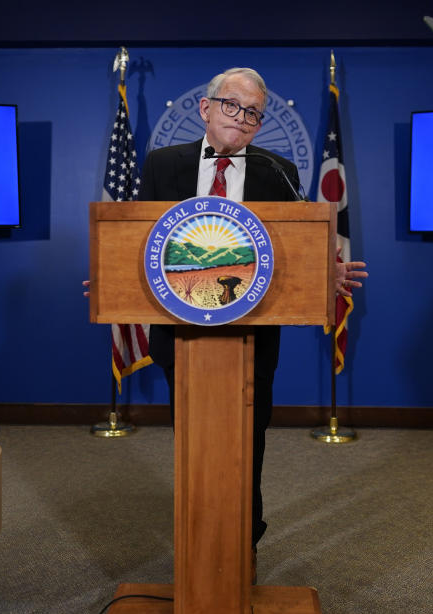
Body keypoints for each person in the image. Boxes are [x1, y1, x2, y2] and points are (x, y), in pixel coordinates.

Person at [134, 67, 367, 581]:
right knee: (191, 434)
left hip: (254, 332)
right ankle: (197, 536)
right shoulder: (163, 164)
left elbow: (297, 246)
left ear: (261, 124)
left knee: (249, 435)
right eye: (232, 106)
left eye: (253, 113)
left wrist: (322, 270)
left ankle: (245, 540)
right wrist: (117, 277)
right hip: (181, 331)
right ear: (207, 108)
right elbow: (141, 239)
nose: (242, 119)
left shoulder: (276, 170)